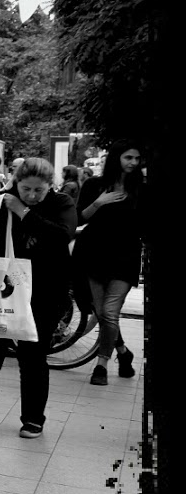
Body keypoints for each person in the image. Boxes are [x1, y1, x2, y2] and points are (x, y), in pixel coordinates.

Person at [0, 158, 78, 440]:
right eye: (26, 189)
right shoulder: (0, 200)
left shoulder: (61, 203)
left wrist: (23, 211)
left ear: (50, 186)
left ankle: (33, 420)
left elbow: (63, 236)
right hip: (3, 285)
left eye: (38, 190)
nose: (32, 195)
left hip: (45, 290)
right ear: (16, 182)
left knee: (33, 355)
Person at [73, 144, 145, 385]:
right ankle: (123, 353)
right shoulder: (94, 185)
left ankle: (101, 365)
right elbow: (79, 218)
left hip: (126, 257)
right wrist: (99, 203)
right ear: (116, 158)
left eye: (137, 158)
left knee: (109, 312)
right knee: (103, 313)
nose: (133, 162)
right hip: (94, 254)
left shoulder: (141, 189)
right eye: (128, 157)